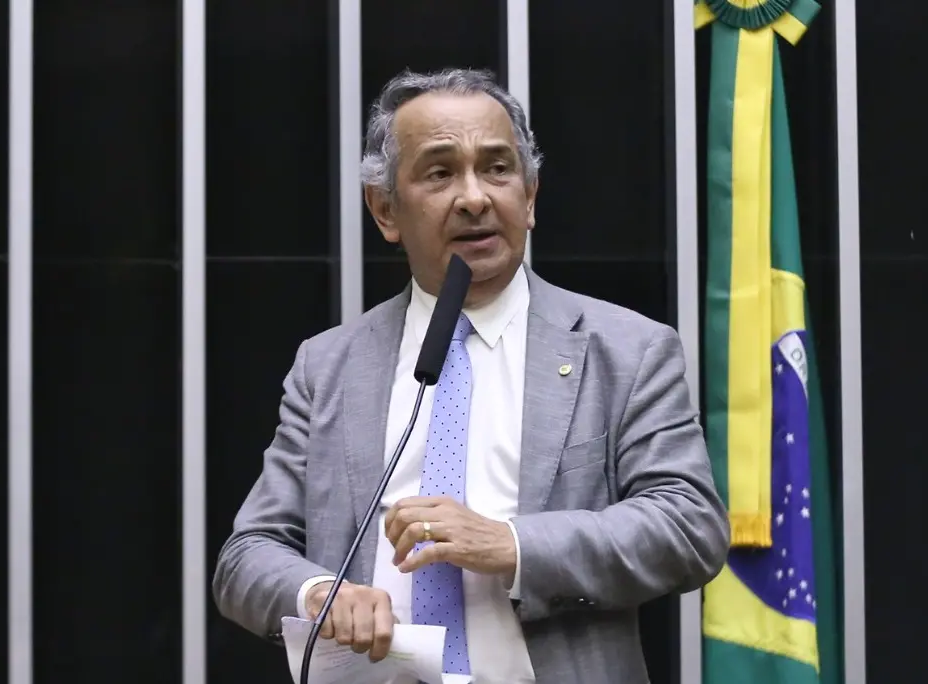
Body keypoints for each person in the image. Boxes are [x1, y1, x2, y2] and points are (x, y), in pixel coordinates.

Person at [212, 67, 730, 684]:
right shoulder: (328, 366)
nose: (475, 198)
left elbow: (688, 525)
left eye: (497, 168)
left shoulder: (627, 350)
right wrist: (319, 592)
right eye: (439, 173)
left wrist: (511, 544)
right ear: (385, 210)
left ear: (529, 197)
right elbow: (247, 557)